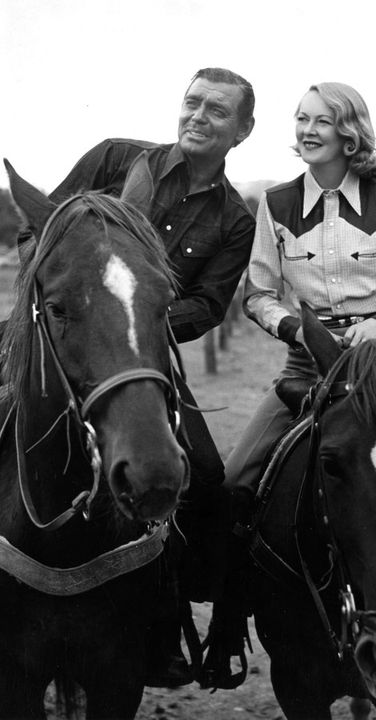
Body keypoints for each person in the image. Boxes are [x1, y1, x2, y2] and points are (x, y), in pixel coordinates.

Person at [203, 81, 376, 690]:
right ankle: (224, 632)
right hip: (309, 369)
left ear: (348, 132)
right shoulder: (274, 204)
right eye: (301, 119)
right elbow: (260, 294)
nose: (306, 130)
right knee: (235, 486)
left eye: (320, 122)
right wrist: (294, 330)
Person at [8, 67, 256, 687]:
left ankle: (169, 622)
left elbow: (210, 305)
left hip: (145, 355)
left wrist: (137, 314)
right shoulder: (115, 159)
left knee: (204, 476)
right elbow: (36, 229)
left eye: (217, 111)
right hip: (59, 337)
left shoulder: (235, 219)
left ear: (243, 130)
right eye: (192, 102)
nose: (198, 116)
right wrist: (78, 303)